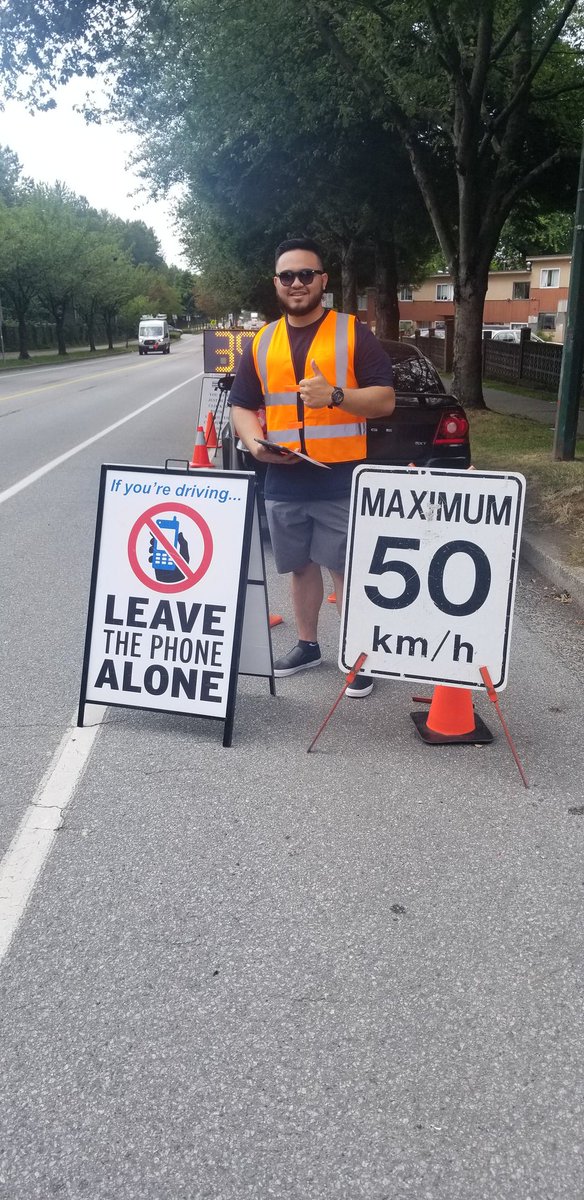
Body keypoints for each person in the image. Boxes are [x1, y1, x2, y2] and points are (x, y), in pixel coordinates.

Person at [229, 237, 395, 697]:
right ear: (277, 283)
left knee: (346, 568)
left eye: (306, 274)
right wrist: (252, 443)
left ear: (323, 280)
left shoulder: (352, 332)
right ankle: (308, 645)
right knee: (299, 566)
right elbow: (242, 406)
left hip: (340, 476)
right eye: (288, 276)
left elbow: (384, 400)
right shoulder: (262, 340)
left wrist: (337, 396)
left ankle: (360, 654)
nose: (297, 283)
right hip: (283, 475)